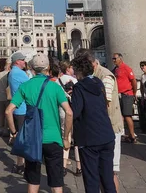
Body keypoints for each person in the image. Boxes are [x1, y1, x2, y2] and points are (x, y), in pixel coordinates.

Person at [6, 54, 73, 193]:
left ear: (31, 68)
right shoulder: (55, 87)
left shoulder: (25, 86)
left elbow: (8, 111)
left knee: (33, 180)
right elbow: (69, 112)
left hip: (33, 139)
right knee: (56, 182)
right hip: (53, 138)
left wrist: (14, 133)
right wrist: (66, 137)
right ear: (48, 68)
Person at [76, 49, 124, 193]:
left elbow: (106, 103)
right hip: (104, 132)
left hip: (107, 127)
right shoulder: (96, 79)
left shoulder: (105, 76)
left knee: (108, 173)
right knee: (106, 174)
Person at [58, 61, 81, 177]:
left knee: (65, 137)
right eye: (72, 68)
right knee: (76, 139)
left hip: (62, 111)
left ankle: (63, 166)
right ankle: (78, 167)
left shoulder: (58, 81)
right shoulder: (75, 81)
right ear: (68, 68)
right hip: (74, 111)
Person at [8, 51, 29, 175]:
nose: (24, 62)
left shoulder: (13, 72)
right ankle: (20, 164)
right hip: (23, 108)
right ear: (17, 61)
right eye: (22, 60)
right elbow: (29, 86)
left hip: (19, 108)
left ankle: (20, 163)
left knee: (21, 137)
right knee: (22, 138)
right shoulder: (19, 73)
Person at [112, 53, 137, 143]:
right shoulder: (115, 69)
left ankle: (132, 135)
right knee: (121, 115)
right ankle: (122, 133)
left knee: (127, 115)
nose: (113, 60)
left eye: (115, 58)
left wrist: (134, 92)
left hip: (127, 94)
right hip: (119, 94)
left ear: (120, 59)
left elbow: (133, 80)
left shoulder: (126, 68)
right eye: (113, 59)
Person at [0, 59, 10, 135]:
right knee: (7, 113)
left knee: (1, 114)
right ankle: (6, 128)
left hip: (1, 96)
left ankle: (1, 128)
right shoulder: (9, 74)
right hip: (8, 97)